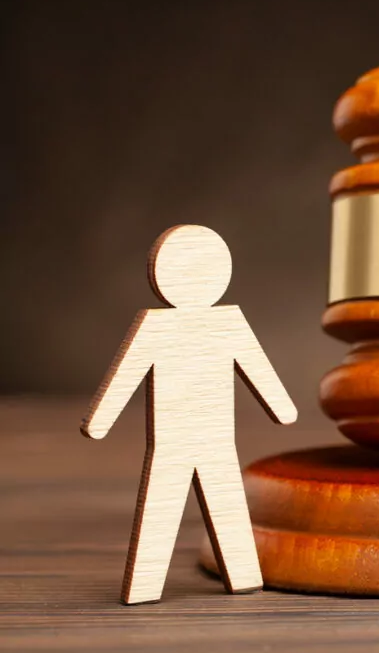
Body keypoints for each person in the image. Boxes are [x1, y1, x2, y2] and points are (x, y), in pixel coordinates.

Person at [82, 224, 297, 604]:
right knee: (164, 510)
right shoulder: (159, 325)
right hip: (175, 443)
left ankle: (240, 575)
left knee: (220, 504)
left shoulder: (224, 322)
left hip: (212, 440)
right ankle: (147, 587)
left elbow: (256, 368)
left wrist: (281, 407)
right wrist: (99, 422)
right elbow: (126, 375)